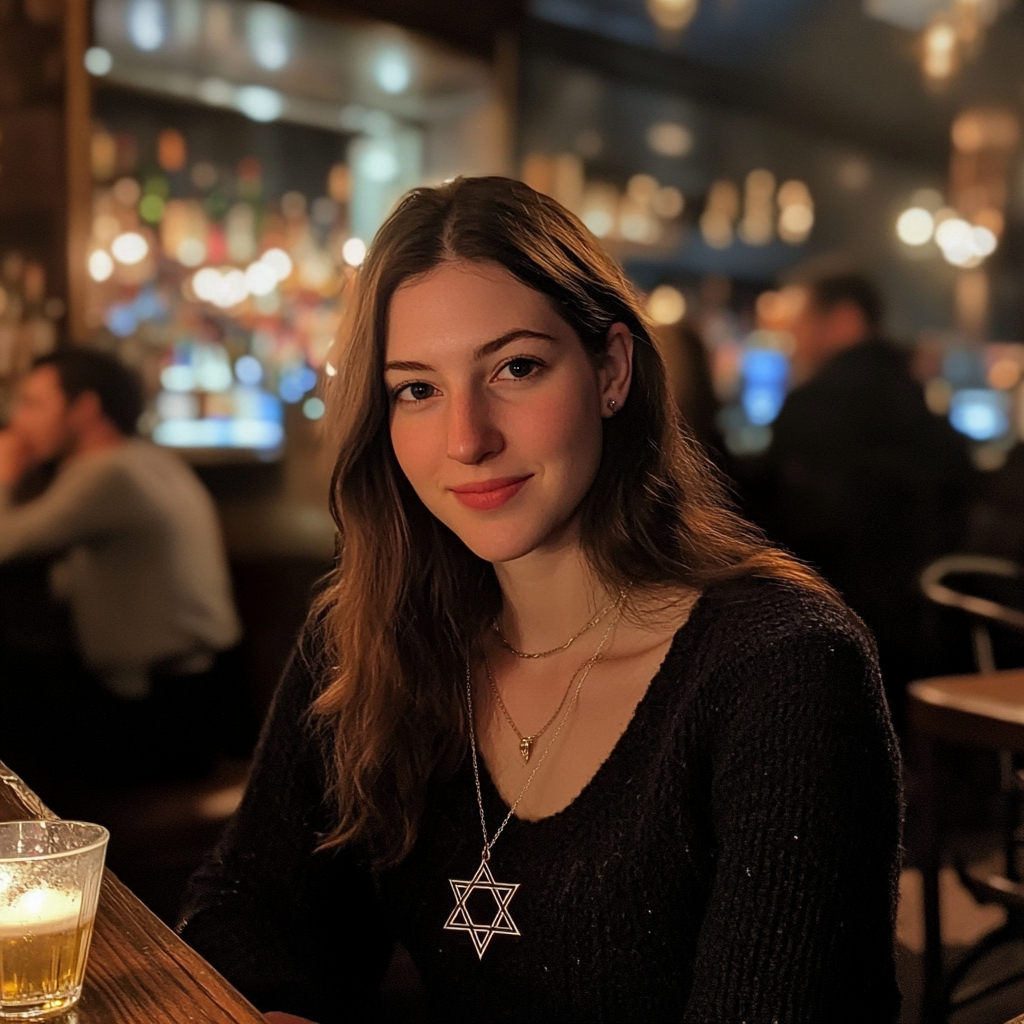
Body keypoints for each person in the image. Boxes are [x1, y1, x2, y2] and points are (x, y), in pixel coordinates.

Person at [178, 177, 902, 1023]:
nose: (467, 439)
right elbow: (246, 911)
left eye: (516, 368)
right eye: (418, 389)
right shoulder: (366, 634)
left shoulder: (782, 672)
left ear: (611, 370)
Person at [0, 349, 241, 783]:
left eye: (34, 404)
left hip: (156, 710)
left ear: (86, 408)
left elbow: (6, 545)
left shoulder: (107, 475)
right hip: (204, 691)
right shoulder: (150, 459)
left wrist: (3, 477)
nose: (18, 422)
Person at [750, 272, 972, 725]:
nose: (793, 341)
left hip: (828, 637)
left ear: (845, 321)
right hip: (930, 637)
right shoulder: (917, 404)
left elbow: (784, 530)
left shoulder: (816, 409)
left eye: (803, 323)